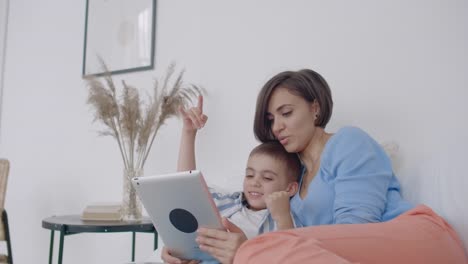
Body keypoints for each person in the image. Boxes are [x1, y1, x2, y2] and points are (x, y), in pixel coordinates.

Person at [194, 69, 468, 264]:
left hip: (417, 241)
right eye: (270, 119)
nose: (276, 126)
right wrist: (197, 253)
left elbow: (357, 230)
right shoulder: (292, 179)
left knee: (257, 251)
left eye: (286, 113)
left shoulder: (349, 141)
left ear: (315, 108)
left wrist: (252, 251)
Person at [161, 95, 303, 264]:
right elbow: (186, 190)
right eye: (249, 175)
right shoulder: (227, 202)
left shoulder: (288, 218)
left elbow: (292, 256)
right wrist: (188, 133)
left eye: (267, 178)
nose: (254, 182)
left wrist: (283, 216)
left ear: (290, 188)